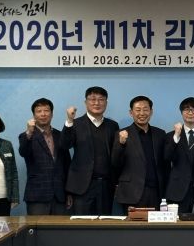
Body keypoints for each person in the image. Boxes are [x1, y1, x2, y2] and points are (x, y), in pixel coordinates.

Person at [63, 87, 119, 215]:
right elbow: (65, 145)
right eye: (93, 99)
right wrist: (69, 121)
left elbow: (116, 155)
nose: (97, 103)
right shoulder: (75, 124)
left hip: (106, 185)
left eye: (101, 99)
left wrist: (117, 182)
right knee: (82, 224)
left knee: (105, 223)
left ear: (106, 103)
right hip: (82, 186)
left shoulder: (112, 125)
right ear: (85, 102)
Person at [111, 96, 168, 211]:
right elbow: (115, 163)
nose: (142, 113)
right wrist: (121, 144)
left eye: (145, 109)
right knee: (133, 223)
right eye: (138, 110)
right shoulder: (122, 134)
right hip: (131, 193)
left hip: (156, 192)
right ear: (131, 113)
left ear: (151, 112)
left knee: (156, 223)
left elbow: (165, 163)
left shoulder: (160, 134)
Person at [18, 98, 70, 215]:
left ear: (52, 114)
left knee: (61, 227)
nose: (43, 114)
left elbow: (67, 165)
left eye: (46, 110)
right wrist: (29, 133)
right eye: (39, 111)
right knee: (36, 227)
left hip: (60, 195)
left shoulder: (60, 135)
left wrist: (69, 192)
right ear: (34, 115)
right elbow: (23, 152)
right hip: (37, 195)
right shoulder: (26, 136)